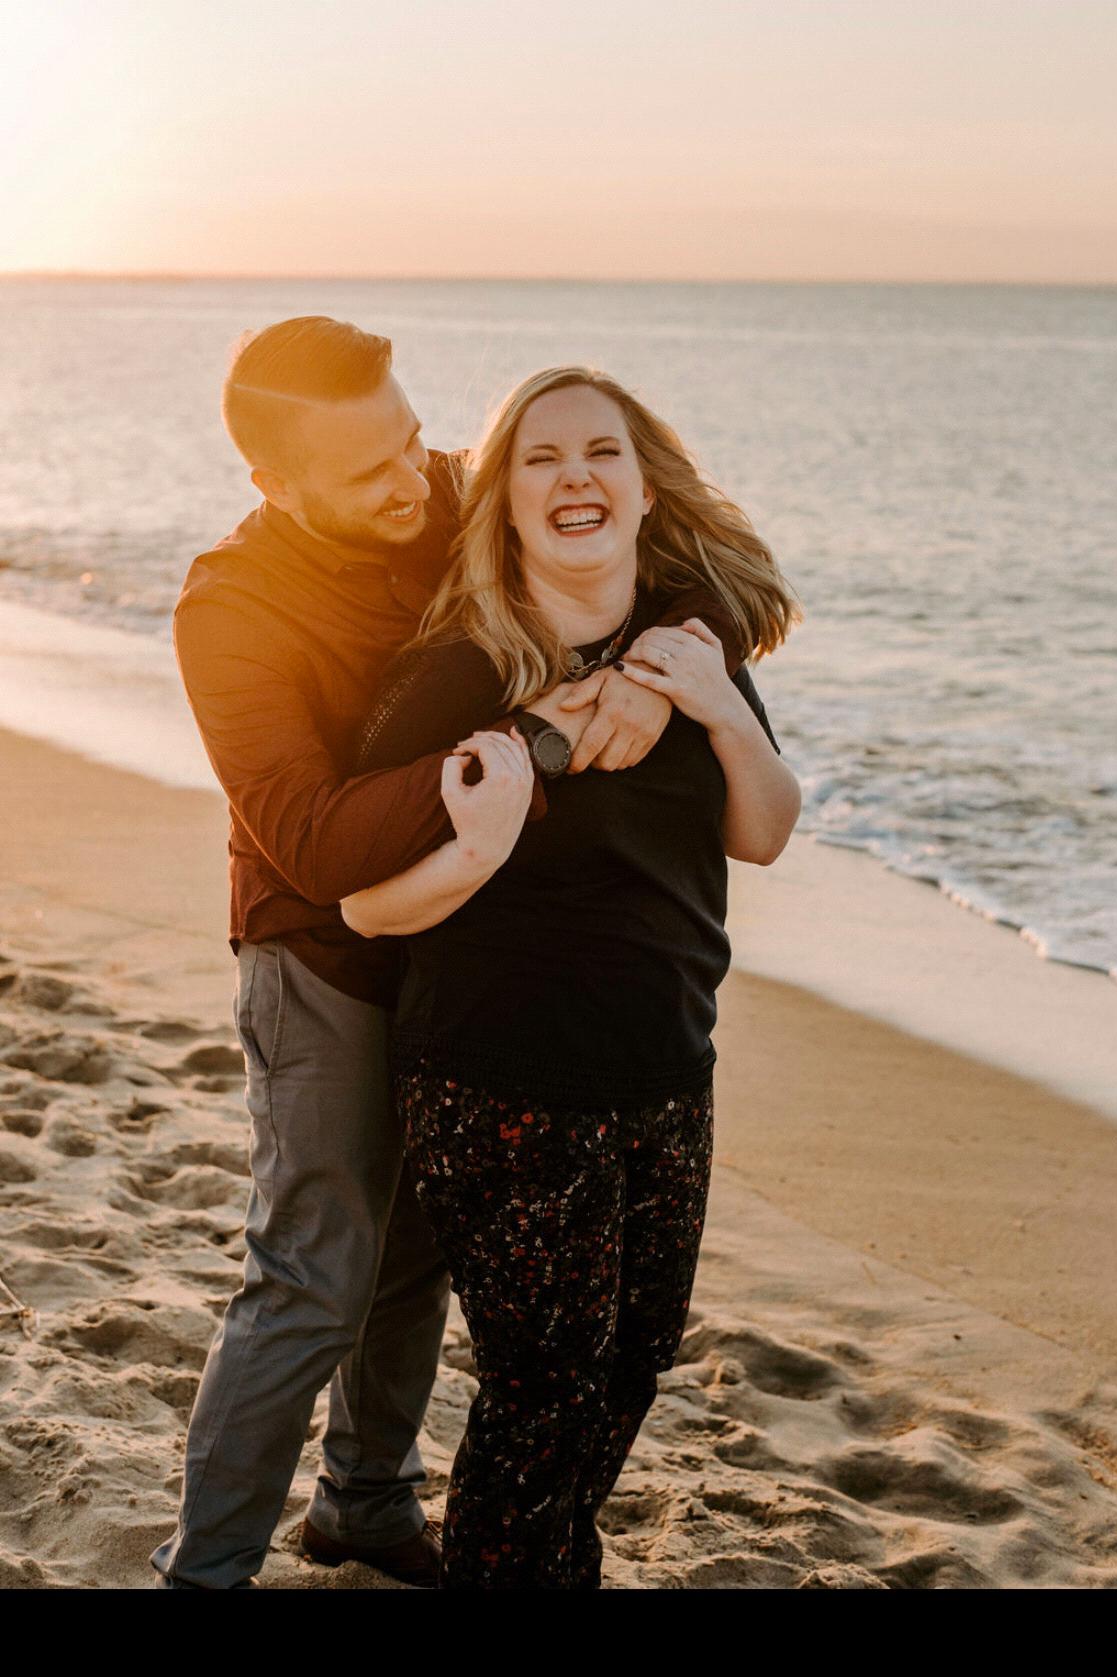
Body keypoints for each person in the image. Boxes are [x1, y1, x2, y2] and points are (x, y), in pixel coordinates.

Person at [152, 318, 750, 1589]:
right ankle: (205, 1568)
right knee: (316, 1270)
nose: (413, 481)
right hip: (321, 953)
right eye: (368, 471)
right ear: (273, 485)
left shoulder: (448, 487)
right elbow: (317, 844)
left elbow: (681, 558)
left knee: (417, 1253)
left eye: (412, 441)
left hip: (470, 948)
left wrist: (651, 672)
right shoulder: (230, 608)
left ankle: (365, 1503)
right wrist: (532, 740)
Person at [340, 365, 802, 1588]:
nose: (573, 478)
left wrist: (718, 708)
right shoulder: (457, 674)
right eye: (539, 459)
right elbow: (363, 900)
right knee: (543, 1385)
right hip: (500, 1081)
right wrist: (475, 851)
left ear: (646, 489)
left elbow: (761, 832)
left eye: (600, 453)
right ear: (502, 501)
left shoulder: (689, 648)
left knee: (634, 1361)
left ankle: (545, 1559)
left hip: (667, 1069)